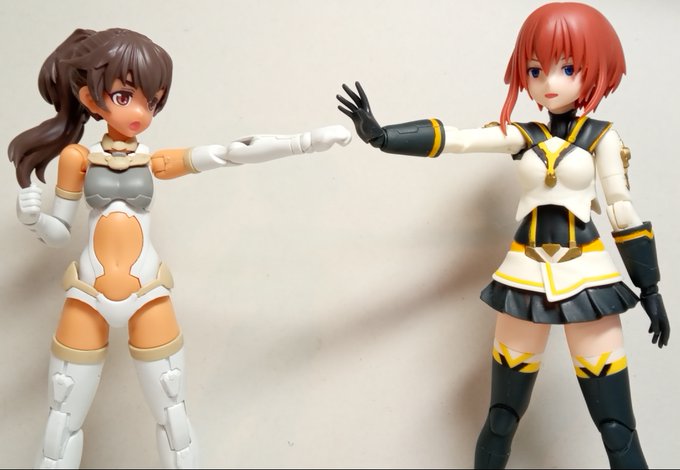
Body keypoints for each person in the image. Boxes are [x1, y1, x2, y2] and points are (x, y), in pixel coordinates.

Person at [336, 3, 669, 468]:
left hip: (589, 278)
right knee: (501, 417)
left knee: (616, 427)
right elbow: (460, 139)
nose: (549, 82)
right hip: (524, 280)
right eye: (536, 69)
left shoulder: (602, 138)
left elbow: (621, 210)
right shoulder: (522, 136)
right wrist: (384, 136)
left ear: (595, 69)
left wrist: (649, 288)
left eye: (567, 68)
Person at [9, 27, 350, 469]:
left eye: (151, 102)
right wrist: (34, 219)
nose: (141, 112)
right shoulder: (78, 158)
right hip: (88, 294)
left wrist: (303, 142)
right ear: (90, 98)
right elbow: (59, 230)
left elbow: (228, 152)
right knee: (61, 425)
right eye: (125, 96)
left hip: (148, 292)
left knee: (174, 421)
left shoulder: (154, 160)